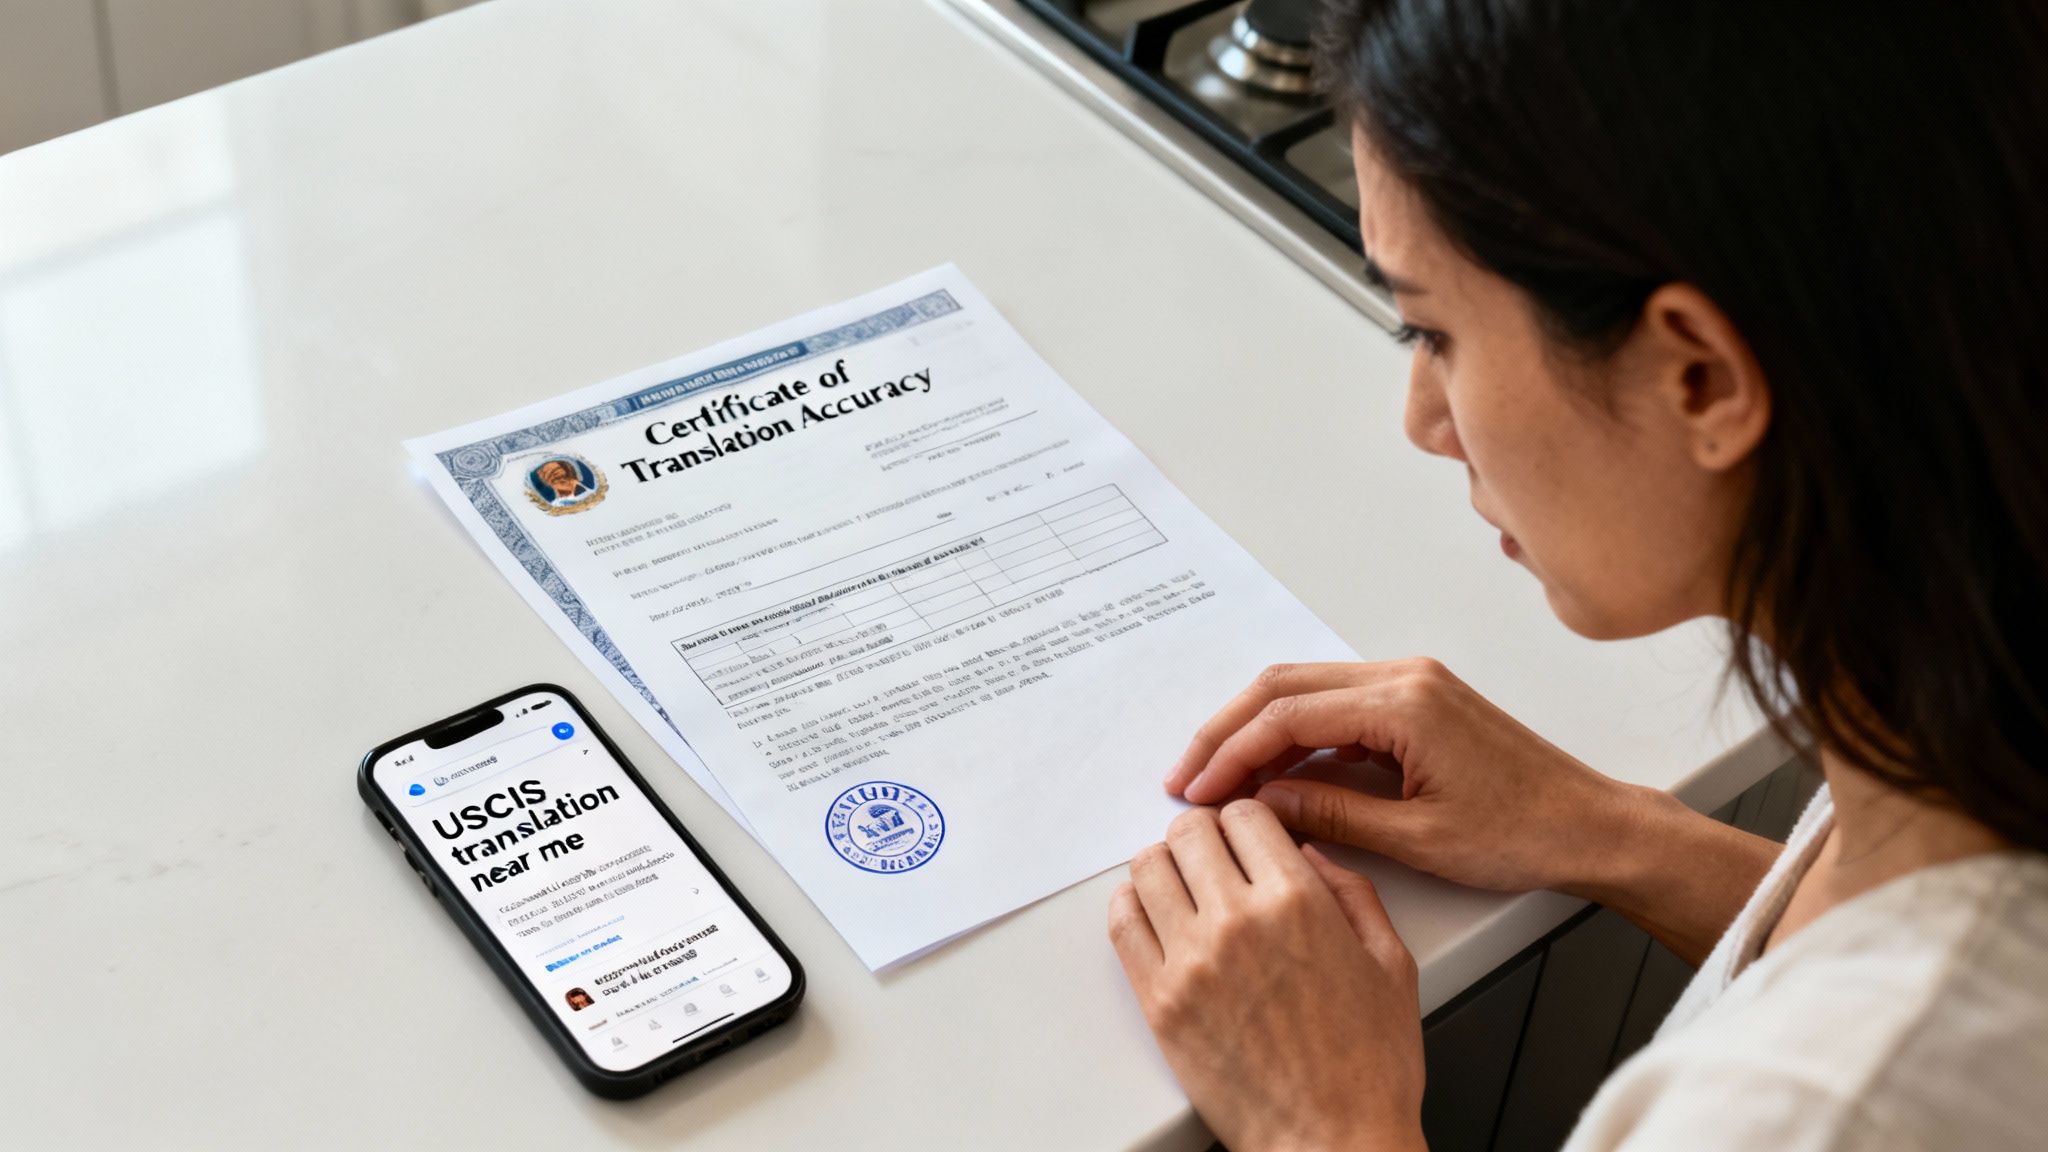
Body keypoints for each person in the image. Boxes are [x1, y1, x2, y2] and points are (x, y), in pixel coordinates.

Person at [1105, 2, 2048, 1149]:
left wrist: (1325, 1121)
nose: (1421, 421)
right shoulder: (1964, 689)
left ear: (1696, 377)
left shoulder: (1820, 1110)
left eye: (1432, 333)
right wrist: (1609, 832)